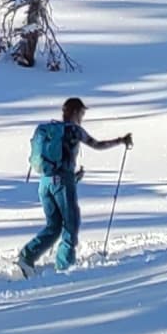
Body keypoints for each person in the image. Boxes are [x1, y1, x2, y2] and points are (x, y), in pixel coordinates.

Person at [17, 97, 133, 275]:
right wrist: (121, 140)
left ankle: (27, 257)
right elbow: (97, 144)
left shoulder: (50, 129)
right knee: (70, 225)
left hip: (45, 182)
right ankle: (65, 268)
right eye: (82, 113)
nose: (82, 117)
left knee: (53, 226)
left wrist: (74, 176)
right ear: (75, 112)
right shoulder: (73, 130)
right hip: (63, 183)